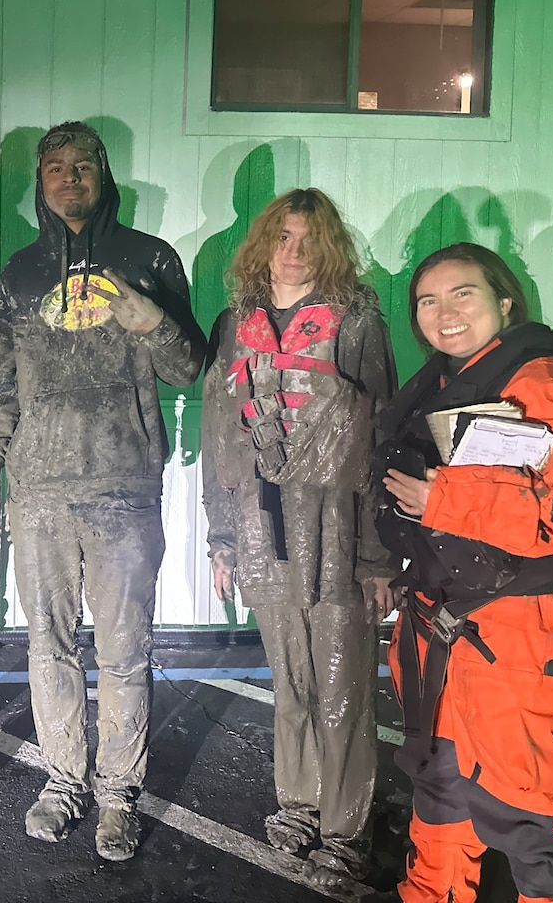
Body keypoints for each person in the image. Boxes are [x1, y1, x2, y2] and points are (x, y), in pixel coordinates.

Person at [0, 121, 205, 861]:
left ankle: (117, 794)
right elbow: (0, 391)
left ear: (105, 174)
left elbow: (189, 369)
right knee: (49, 645)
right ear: (39, 184)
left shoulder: (151, 257)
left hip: (123, 488)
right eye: (55, 168)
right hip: (37, 491)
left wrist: (153, 319)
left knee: (124, 650)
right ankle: (63, 779)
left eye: (84, 165)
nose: (70, 177)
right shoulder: (17, 275)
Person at [371, 243, 553, 903]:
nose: (444, 312)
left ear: (505, 301)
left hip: (516, 629)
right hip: (440, 621)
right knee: (443, 786)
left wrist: (446, 501)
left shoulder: (546, 380)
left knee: (526, 801)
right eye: (428, 300)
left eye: (463, 294)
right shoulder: (442, 380)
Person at [201, 188, 397, 888]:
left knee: (343, 687)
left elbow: (382, 438)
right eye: (282, 236)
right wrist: (221, 538)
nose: (293, 250)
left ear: (329, 247)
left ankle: (346, 831)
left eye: (308, 238)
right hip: (260, 527)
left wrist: (379, 557)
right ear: (264, 242)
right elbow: (217, 430)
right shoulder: (235, 322)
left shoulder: (357, 320)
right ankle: (297, 807)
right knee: (292, 685)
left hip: (338, 528)